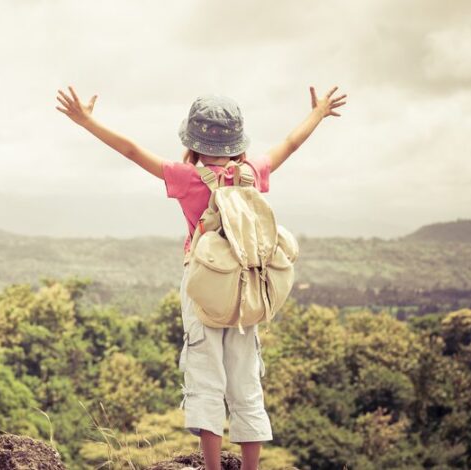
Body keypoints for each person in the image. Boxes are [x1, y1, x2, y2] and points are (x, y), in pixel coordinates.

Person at [54, 85, 347, 470]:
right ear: (238, 139)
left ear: (191, 138)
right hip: (246, 289)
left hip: (204, 288)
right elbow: (290, 144)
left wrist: (86, 120)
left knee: (206, 376)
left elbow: (130, 150)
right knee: (245, 381)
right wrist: (318, 112)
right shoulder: (252, 173)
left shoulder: (186, 177)